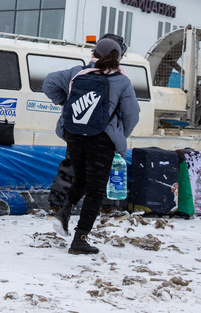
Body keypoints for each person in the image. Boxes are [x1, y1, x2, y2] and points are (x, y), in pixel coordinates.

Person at [43, 35, 140, 255]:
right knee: (95, 191)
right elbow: (132, 114)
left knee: (81, 179)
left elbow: (48, 83)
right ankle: (80, 239)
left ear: (94, 53)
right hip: (101, 139)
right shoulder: (121, 80)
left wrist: (65, 102)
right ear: (118, 57)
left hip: (75, 135)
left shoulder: (77, 73)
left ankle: (63, 212)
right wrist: (118, 134)